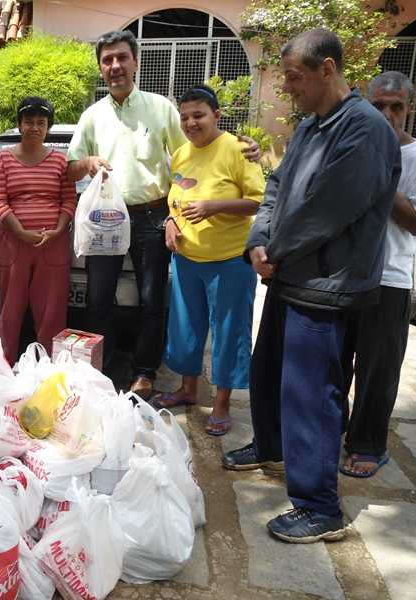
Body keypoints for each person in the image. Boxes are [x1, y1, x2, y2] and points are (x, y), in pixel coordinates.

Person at [222, 29, 401, 544]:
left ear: (327, 69)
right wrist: (258, 238)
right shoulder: (308, 128)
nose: (289, 88)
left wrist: (271, 251)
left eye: (295, 78)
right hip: (289, 275)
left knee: (312, 394)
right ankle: (271, 444)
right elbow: (276, 186)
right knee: (269, 370)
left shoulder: (364, 130)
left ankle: (321, 506)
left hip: (328, 284)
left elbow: (328, 209)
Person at [66, 30, 260, 399]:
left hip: (151, 218)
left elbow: (198, 150)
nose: (115, 66)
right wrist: (87, 161)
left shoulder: (161, 109)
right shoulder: (92, 116)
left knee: (151, 301)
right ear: (101, 69)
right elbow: (71, 168)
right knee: (98, 300)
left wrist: (239, 143)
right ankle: (101, 372)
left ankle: (144, 372)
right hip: (104, 221)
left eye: (122, 57)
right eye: (107, 60)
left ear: (135, 62)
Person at [339, 71, 416, 477]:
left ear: (409, 108)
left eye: (396, 106)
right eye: (379, 105)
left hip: (389, 279)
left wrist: (384, 173)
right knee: (335, 363)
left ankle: (368, 444)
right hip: (343, 276)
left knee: (377, 370)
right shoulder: (349, 146)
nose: (387, 113)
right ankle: (331, 430)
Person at [158, 84, 265, 436]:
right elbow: (175, 200)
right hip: (187, 260)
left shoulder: (237, 150)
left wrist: (214, 206)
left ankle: (221, 404)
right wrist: (170, 222)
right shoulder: (181, 154)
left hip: (230, 261)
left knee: (228, 333)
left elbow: (258, 201)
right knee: (186, 329)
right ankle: (188, 389)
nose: (191, 123)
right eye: (185, 117)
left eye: (199, 115)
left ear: (216, 115)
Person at [0, 97, 78, 362]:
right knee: (10, 310)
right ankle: (4, 367)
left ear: (48, 128)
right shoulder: (2, 160)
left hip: (53, 245)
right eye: (29, 121)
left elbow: (68, 200)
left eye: (41, 122)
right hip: (13, 245)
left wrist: (58, 231)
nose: (35, 127)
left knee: (51, 313)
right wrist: (22, 233)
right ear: (19, 125)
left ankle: (49, 372)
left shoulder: (61, 161)